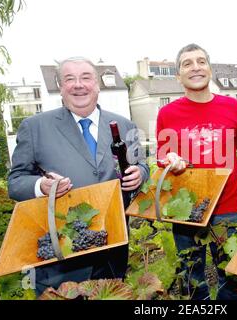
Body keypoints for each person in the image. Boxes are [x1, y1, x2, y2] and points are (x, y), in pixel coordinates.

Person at [8, 57, 149, 295]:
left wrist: (141, 174)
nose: (78, 85)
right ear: (60, 87)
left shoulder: (125, 124)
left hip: (114, 244)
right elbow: (15, 182)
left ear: (97, 84)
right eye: (69, 79)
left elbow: (142, 164)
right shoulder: (34, 127)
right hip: (65, 253)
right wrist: (41, 186)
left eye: (86, 77)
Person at [156, 44, 237, 300]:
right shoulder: (167, 113)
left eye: (201, 61)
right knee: (192, 275)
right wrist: (168, 158)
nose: (195, 67)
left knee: (231, 273)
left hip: (228, 207)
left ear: (209, 68)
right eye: (187, 63)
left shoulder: (232, 107)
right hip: (187, 210)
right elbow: (163, 155)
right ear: (178, 75)